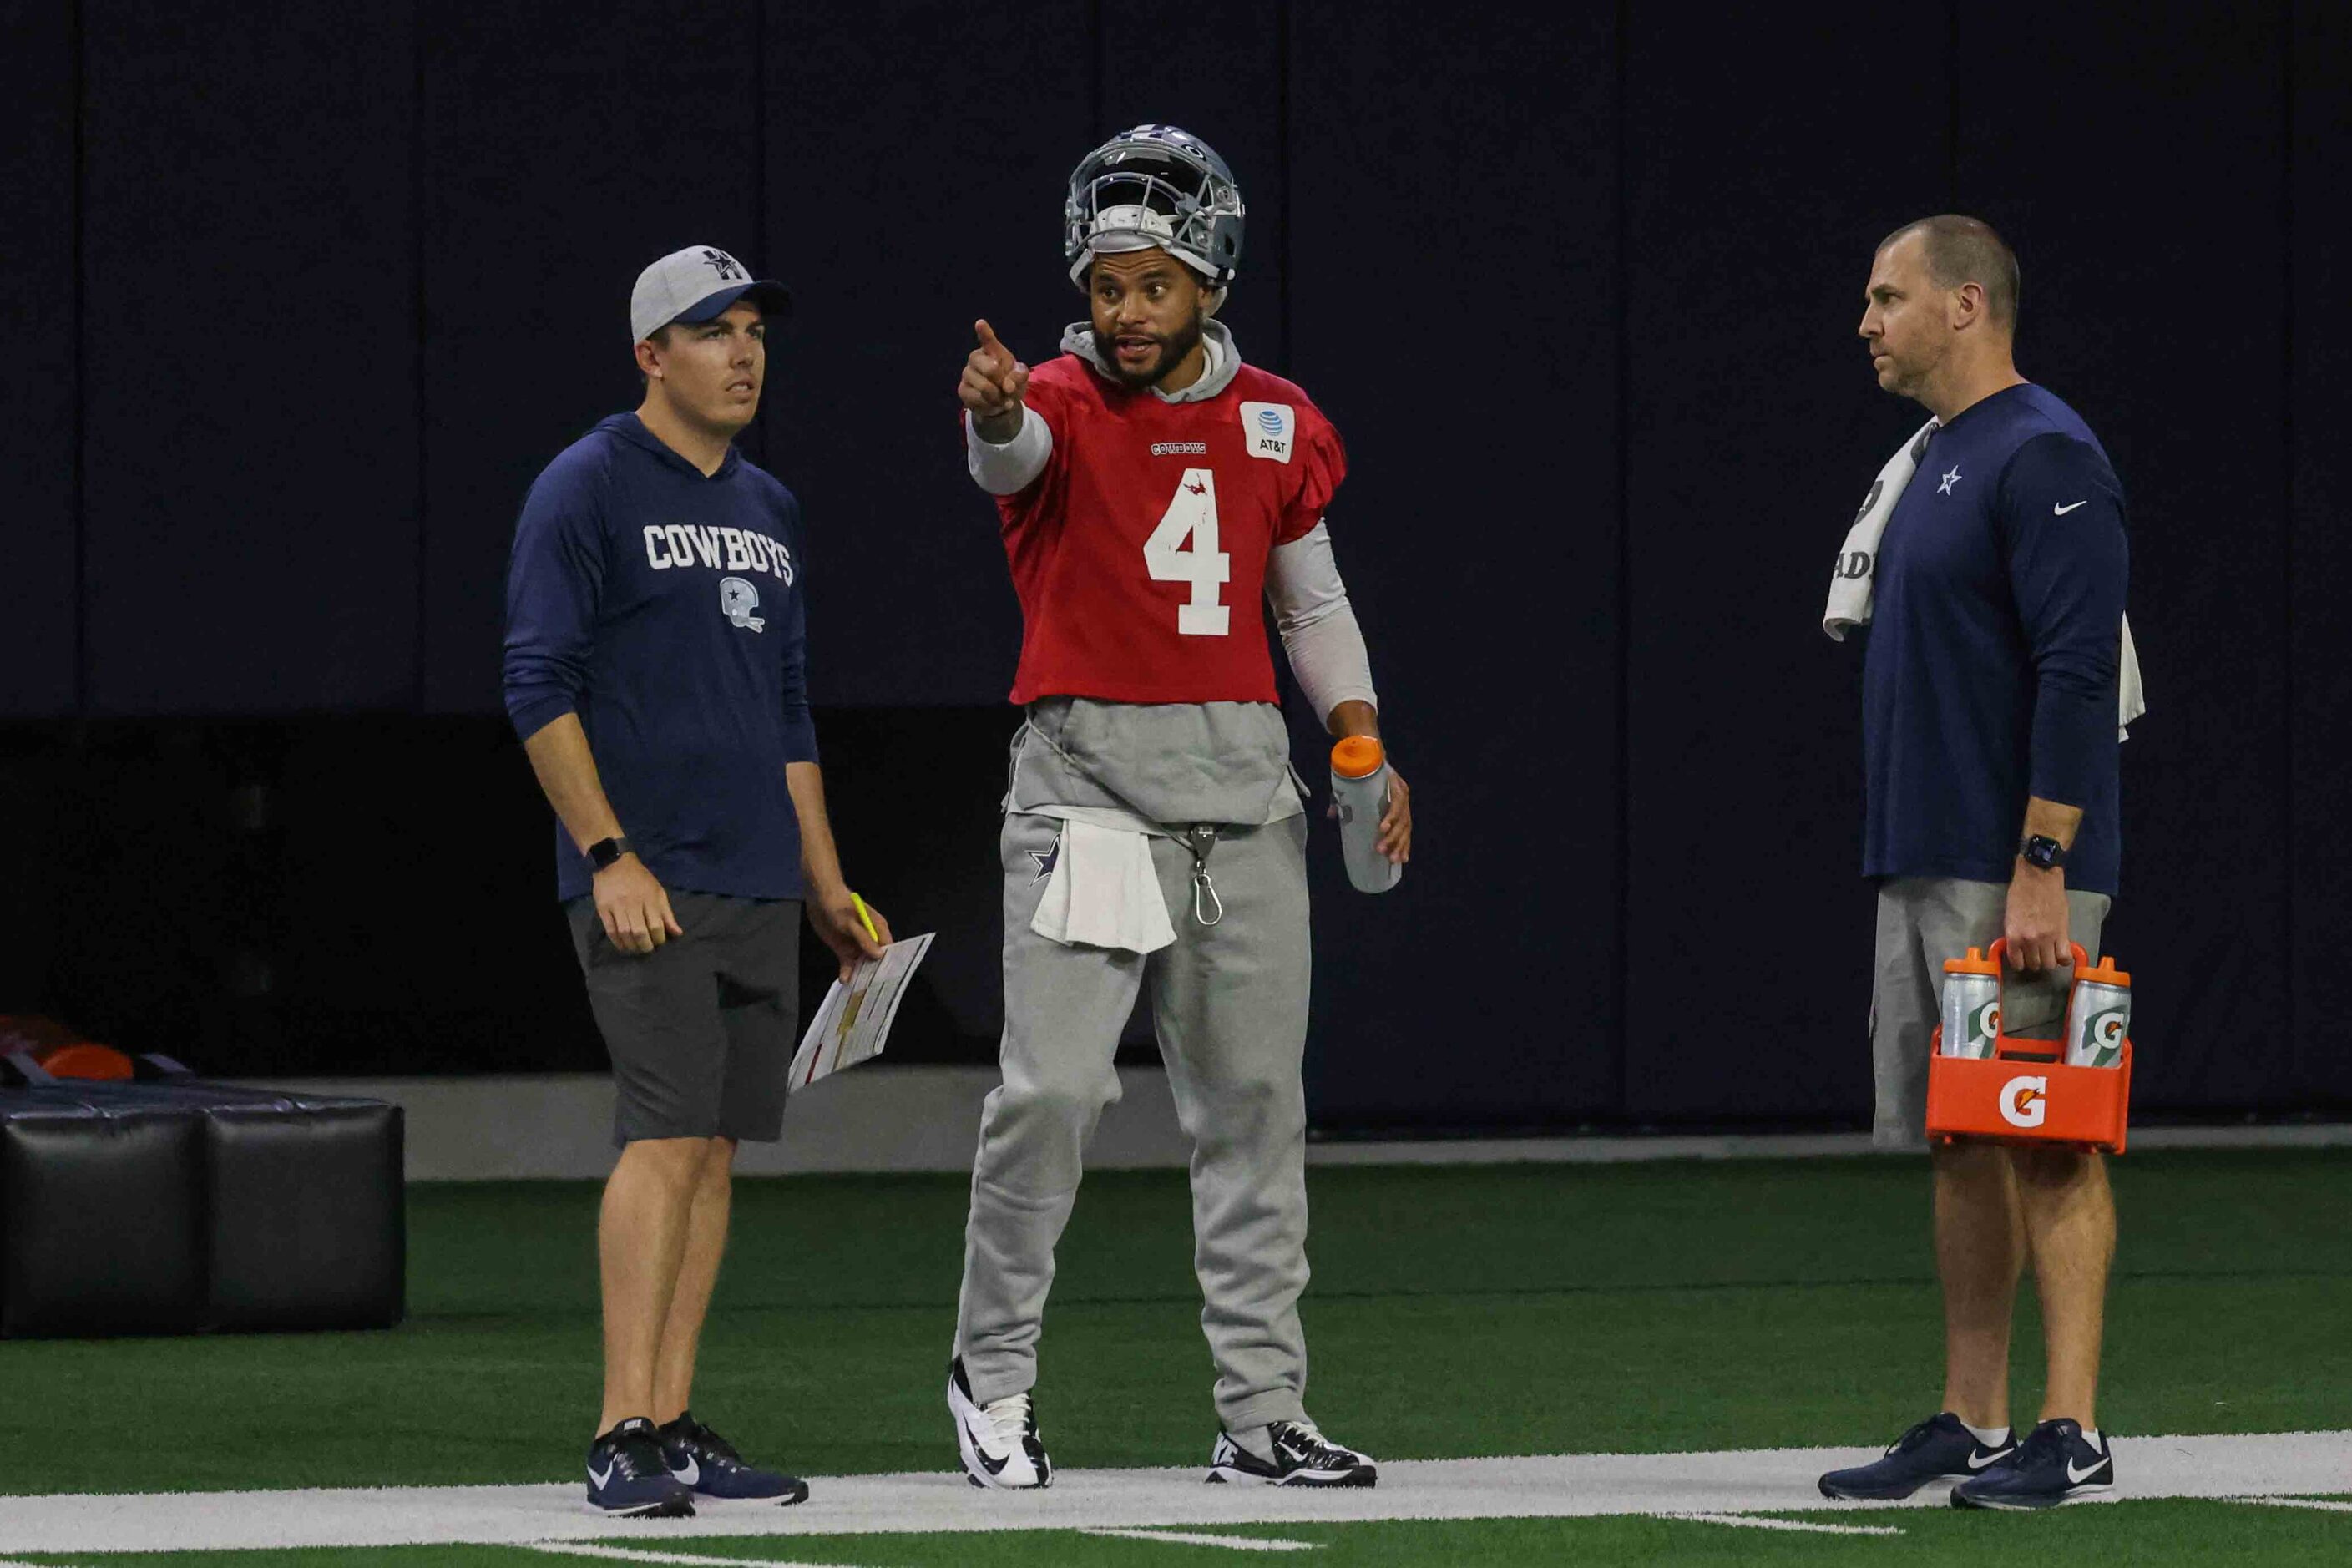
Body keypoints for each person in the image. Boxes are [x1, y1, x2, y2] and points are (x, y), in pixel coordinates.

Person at [943, 124, 1412, 1491]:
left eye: (1150, 286)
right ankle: (995, 1374)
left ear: (1208, 277)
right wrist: (986, 410)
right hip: (1089, 795)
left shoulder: (1277, 415)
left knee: (1257, 1109)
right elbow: (1010, 454)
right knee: (1052, 1092)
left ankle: (1262, 1411)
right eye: (1105, 287)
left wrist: (1361, 739)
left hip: (1243, 798)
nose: (1124, 312)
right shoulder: (1052, 396)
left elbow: (1306, 599)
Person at [503, 245, 890, 1517]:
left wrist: (826, 885)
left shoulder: (770, 508)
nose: (742, 353)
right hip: (646, 879)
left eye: (753, 332)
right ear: (649, 356)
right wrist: (609, 855)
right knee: (664, 1130)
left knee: (717, 1147)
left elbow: (787, 716)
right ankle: (618, 1425)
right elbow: (536, 686)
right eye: (711, 331)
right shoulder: (587, 484)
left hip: (757, 879)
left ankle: (671, 1418)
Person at [1818, 216, 2129, 1510]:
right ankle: (1971, 1413)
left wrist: (2043, 861)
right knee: (1959, 1136)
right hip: (1925, 854)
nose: (1865, 321)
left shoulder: (2043, 450)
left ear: (1964, 305)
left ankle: (2070, 1426)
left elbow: (2075, 670)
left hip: (2016, 868)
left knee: (2050, 1134)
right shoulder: (1935, 458)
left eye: (1887, 297)